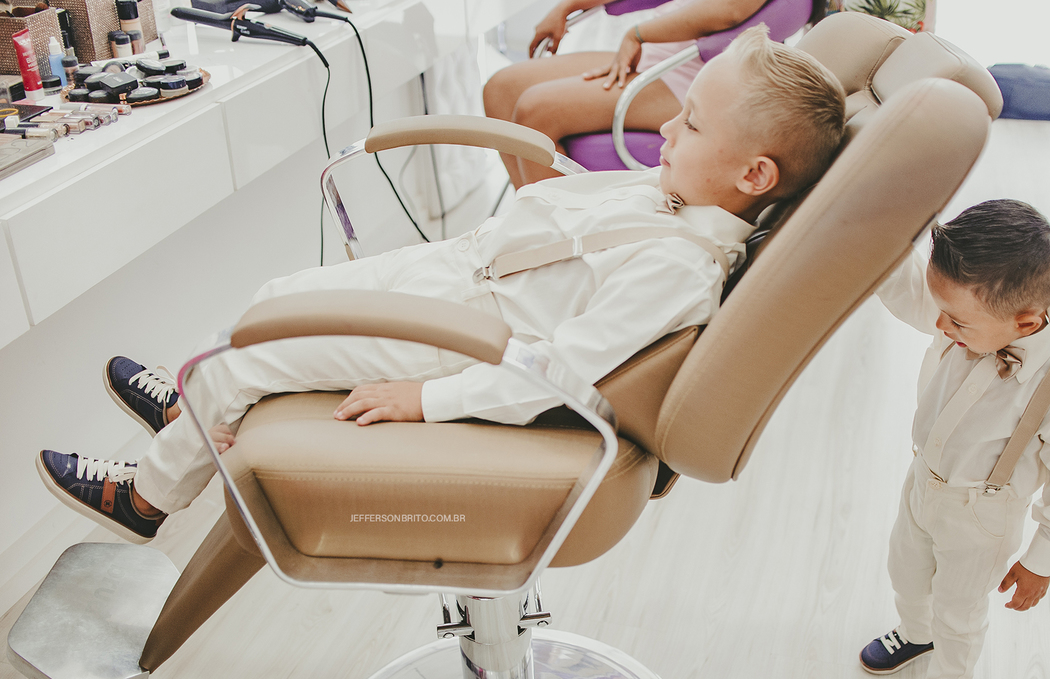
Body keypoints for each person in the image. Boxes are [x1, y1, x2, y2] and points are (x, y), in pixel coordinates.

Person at [37, 26, 846, 545]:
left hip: (462, 333)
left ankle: (145, 496)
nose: (665, 127)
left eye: (691, 122)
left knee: (248, 353)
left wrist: (427, 399)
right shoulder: (681, 194)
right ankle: (191, 413)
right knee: (276, 295)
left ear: (754, 174)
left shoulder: (679, 268)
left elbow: (561, 371)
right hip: (459, 274)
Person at [862, 200, 1050, 679]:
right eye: (941, 312)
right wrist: (872, 223)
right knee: (905, 570)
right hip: (921, 481)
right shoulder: (964, 319)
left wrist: (1041, 559)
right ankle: (916, 631)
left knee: (960, 611)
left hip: (982, 515)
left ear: (1026, 321)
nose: (940, 326)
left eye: (955, 321)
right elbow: (903, 285)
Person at [483, 0, 776, 187]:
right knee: (501, 89)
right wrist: (569, 5)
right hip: (657, 54)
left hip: (698, 74)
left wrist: (638, 34)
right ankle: (532, 224)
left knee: (536, 110)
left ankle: (557, 244)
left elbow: (730, 9)